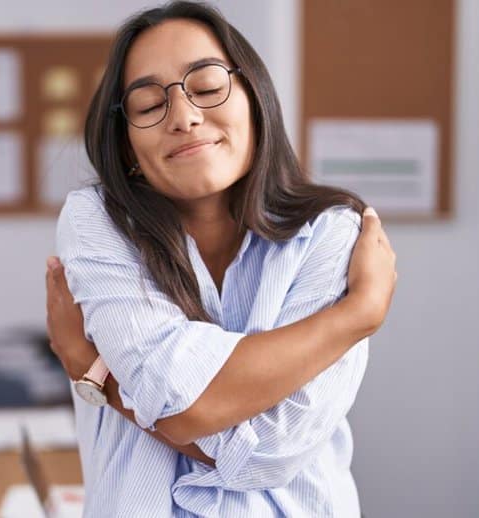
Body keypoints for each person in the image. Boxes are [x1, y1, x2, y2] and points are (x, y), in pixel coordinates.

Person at [44, 2, 396, 516]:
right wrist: (356, 316)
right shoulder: (97, 221)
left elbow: (271, 453)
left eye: (207, 88)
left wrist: (99, 376)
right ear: (126, 147)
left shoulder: (332, 232)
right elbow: (183, 406)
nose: (185, 117)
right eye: (147, 106)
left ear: (254, 97)